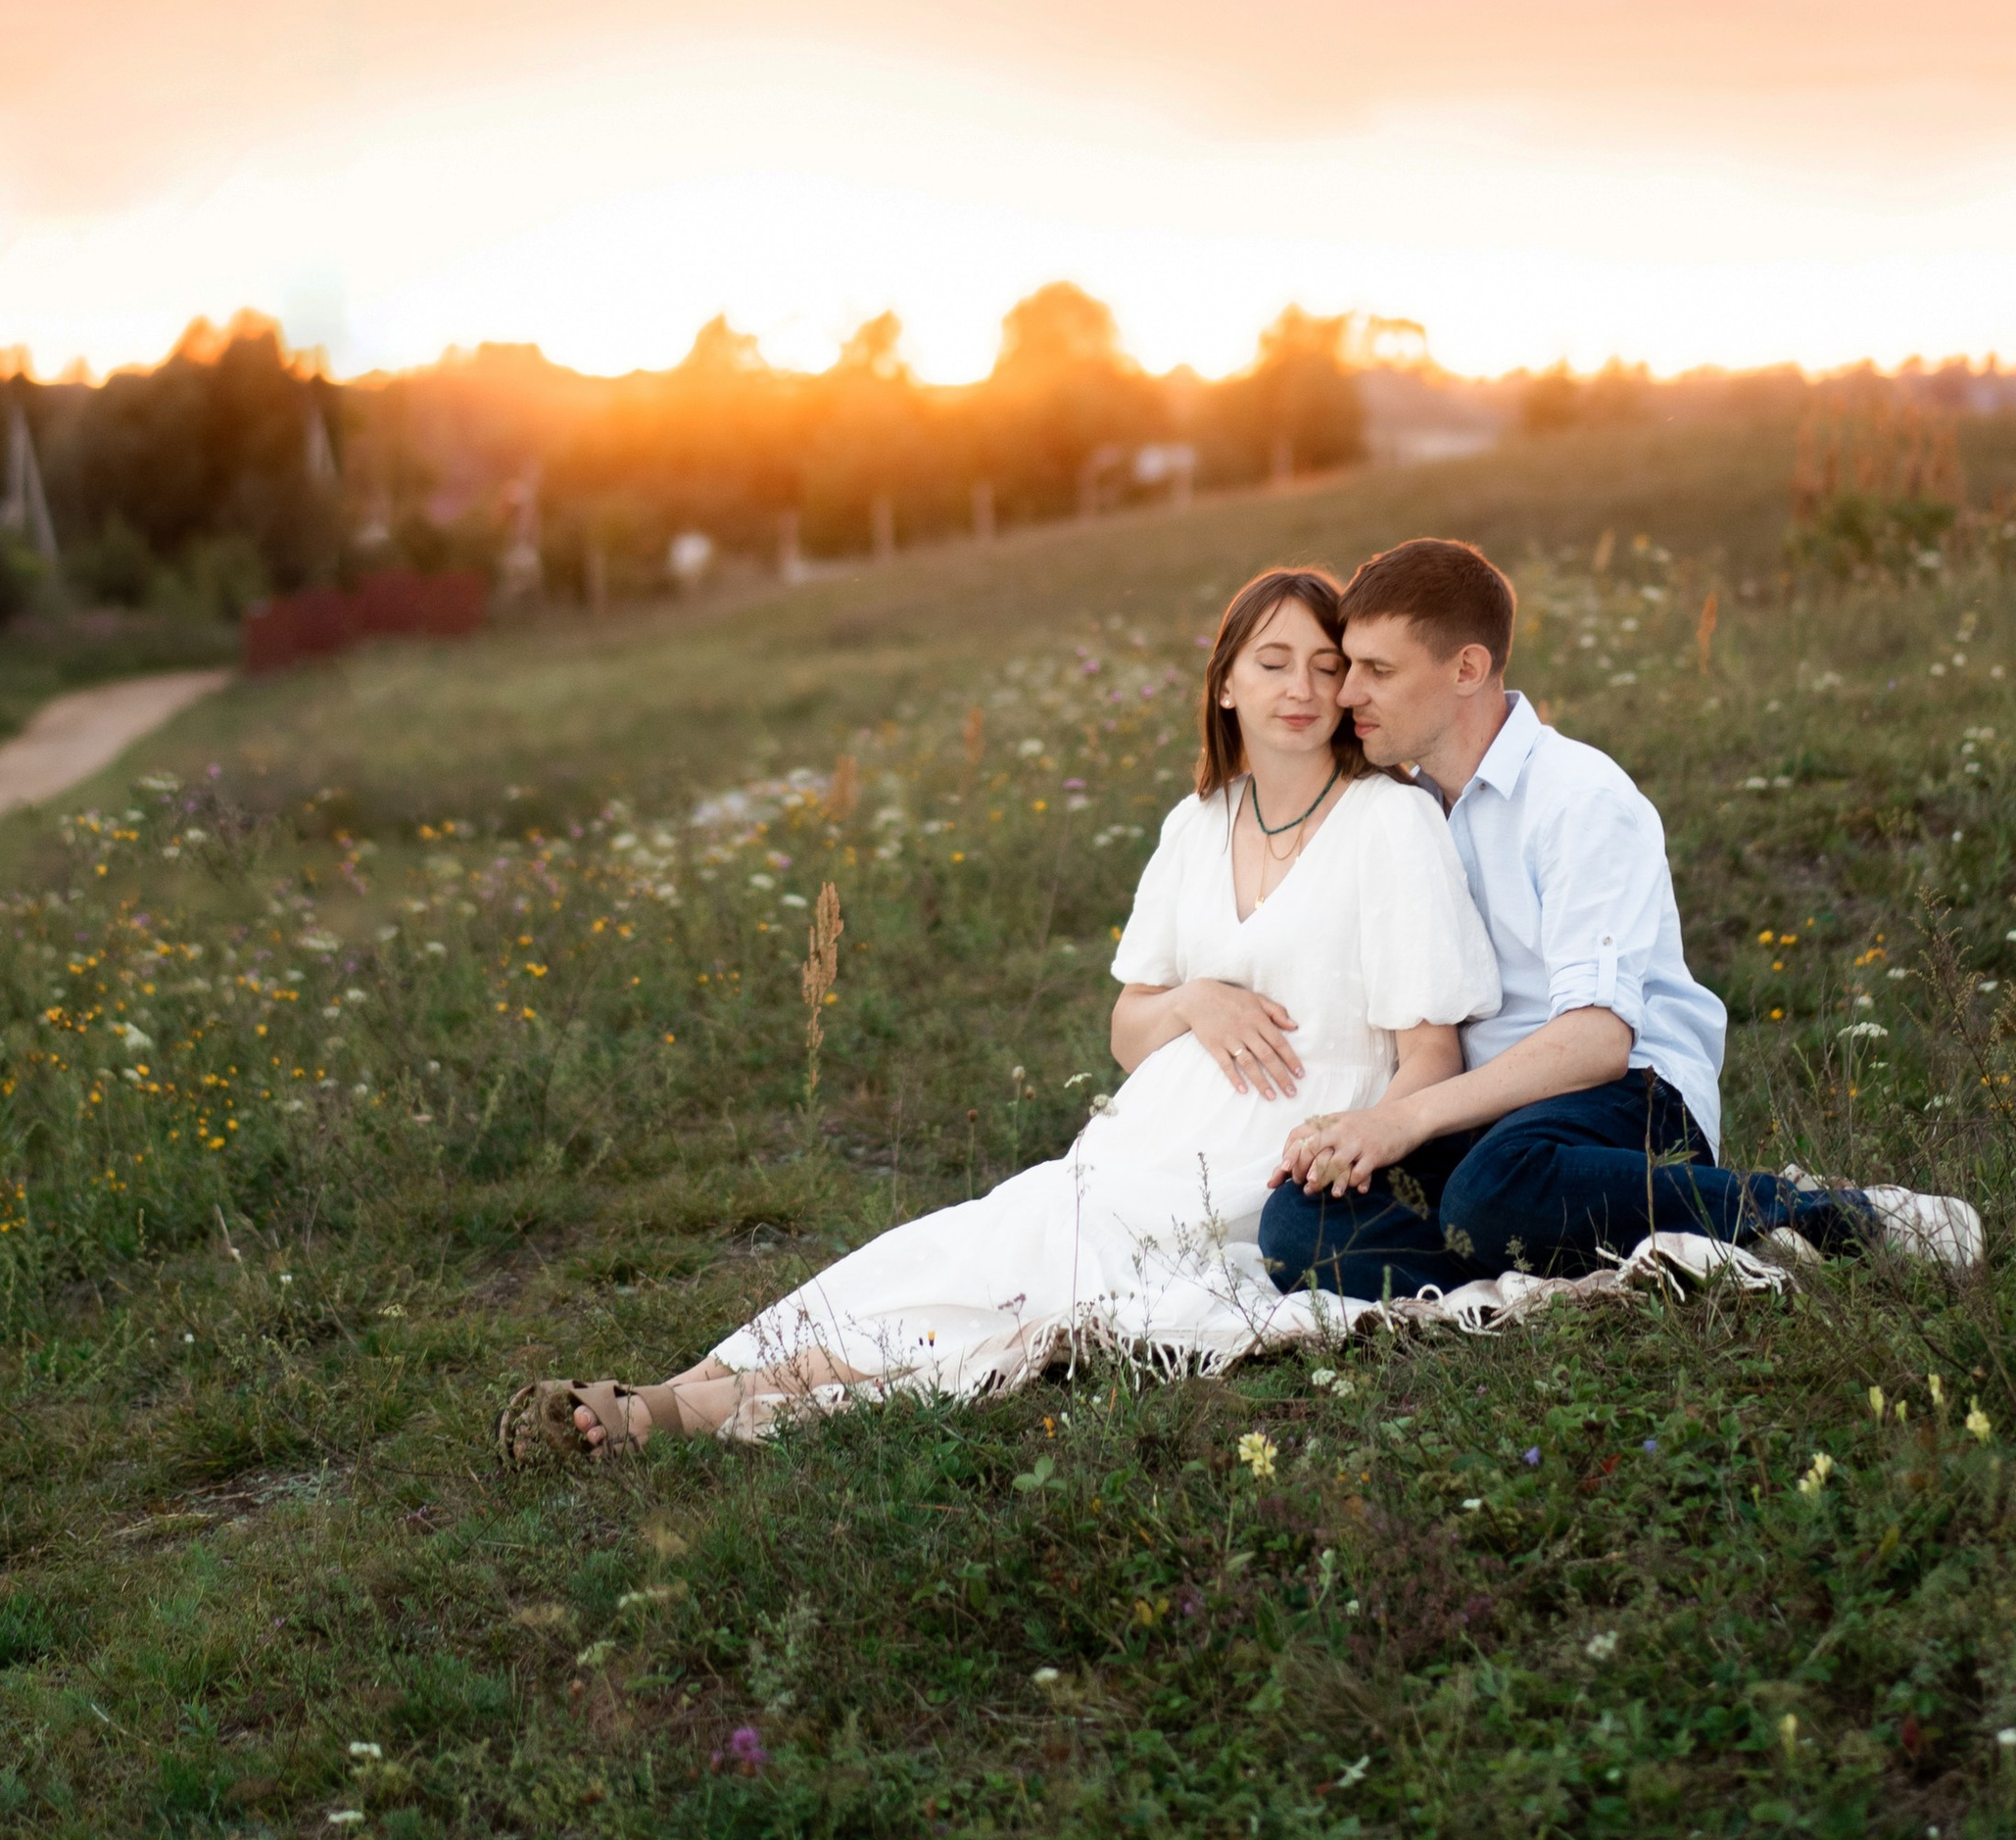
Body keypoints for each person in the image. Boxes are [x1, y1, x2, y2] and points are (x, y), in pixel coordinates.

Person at [498, 562, 1501, 1465]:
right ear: (1226, 683)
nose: (1303, 689)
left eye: (1327, 667)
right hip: (1143, 1140)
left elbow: (1431, 1050)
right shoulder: (1196, 825)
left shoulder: (1389, 821)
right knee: (964, 1245)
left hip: (1267, 1156)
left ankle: (683, 1412)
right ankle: (684, 1388)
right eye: (1273, 663)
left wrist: (1362, 1139)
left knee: (1032, 1278)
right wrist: (1194, 1000)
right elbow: (1129, 1029)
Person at [1256, 537, 1983, 1298]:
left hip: (1631, 1098)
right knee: (1299, 1226)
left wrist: (1406, 1121)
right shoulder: (1409, 811)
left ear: (1467, 669)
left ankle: (1819, 1213)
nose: (1346, 694)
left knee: (1493, 1190)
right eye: (1351, 666)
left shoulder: (1578, 797)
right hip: (1488, 1121)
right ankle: (1601, 1254)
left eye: (1378, 670)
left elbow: (1598, 1042)